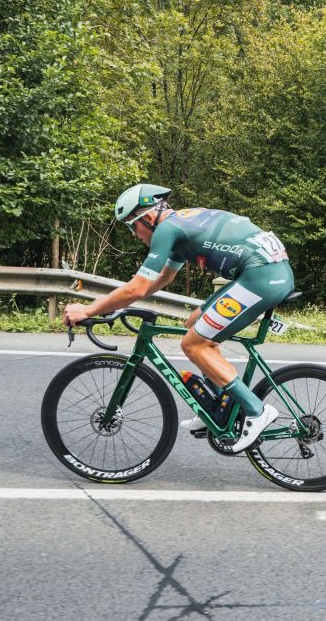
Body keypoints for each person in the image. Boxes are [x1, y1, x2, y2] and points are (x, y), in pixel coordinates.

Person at [62, 184, 293, 451]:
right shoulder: (179, 224)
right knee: (193, 325)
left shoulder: (167, 229)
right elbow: (159, 281)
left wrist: (89, 310)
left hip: (261, 277)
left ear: (147, 218)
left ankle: (256, 410)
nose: (134, 235)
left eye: (131, 227)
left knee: (193, 344)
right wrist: (109, 305)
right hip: (264, 272)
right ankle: (218, 406)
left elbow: (137, 288)